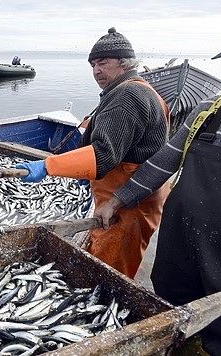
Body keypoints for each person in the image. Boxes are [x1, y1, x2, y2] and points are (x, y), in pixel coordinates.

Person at [95, 13, 221, 355]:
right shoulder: (208, 111)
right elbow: (162, 162)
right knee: (171, 318)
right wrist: (117, 200)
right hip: (180, 248)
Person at [16, 27, 171, 279]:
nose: (97, 70)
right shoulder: (142, 88)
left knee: (107, 273)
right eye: (93, 64)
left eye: (103, 63)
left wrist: (48, 166)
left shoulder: (127, 95)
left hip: (128, 199)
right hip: (141, 193)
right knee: (123, 255)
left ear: (124, 63)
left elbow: (102, 156)